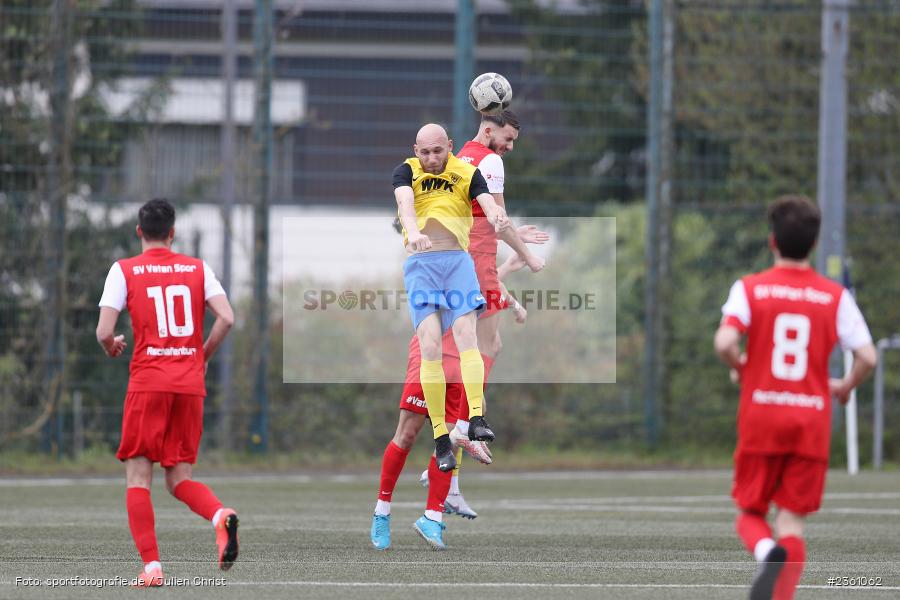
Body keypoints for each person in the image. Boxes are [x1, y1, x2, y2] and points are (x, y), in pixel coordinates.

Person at [372, 115, 546, 550]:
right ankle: (384, 508)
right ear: (416, 150)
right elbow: (407, 207)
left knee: (484, 350)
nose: (431, 158)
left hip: (454, 277)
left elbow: (492, 221)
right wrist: (412, 233)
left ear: (450, 145)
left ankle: (439, 502)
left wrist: (505, 231)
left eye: (438, 150)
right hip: (425, 276)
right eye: (424, 151)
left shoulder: (468, 180)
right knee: (409, 428)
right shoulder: (409, 173)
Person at [714, 195, 876, 600]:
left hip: (762, 417)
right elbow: (868, 357)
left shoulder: (751, 288)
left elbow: (724, 342)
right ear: (815, 244)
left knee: (751, 513)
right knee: (793, 524)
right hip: (810, 422)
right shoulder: (835, 297)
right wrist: (844, 386)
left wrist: (741, 365)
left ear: (772, 242)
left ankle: (767, 553)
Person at [96, 198, 239, 586]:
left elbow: (104, 331)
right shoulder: (197, 268)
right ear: (172, 233)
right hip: (189, 384)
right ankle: (219, 515)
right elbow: (226, 317)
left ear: (140, 232)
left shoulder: (124, 269)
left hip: (148, 382)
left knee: (138, 478)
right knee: (179, 479)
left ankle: (153, 568)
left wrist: (112, 347)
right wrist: (201, 355)